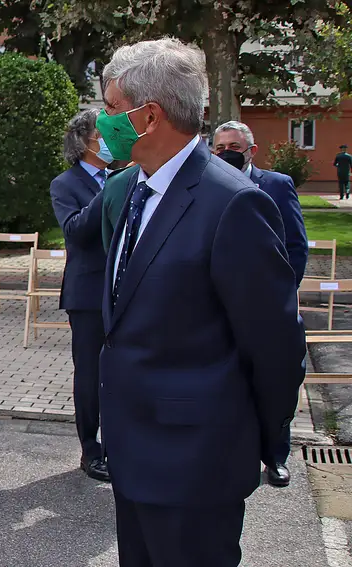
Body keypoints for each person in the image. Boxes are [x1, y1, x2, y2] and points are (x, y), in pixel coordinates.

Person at [95, 38, 306, 566]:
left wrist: (252, 440)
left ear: (149, 116)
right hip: (134, 455)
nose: (104, 121)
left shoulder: (233, 204)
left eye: (113, 108)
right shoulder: (133, 189)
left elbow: (276, 346)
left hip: (197, 464)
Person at [213, 120, 308, 488]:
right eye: (219, 147)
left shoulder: (277, 185)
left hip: (268, 308)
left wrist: (280, 297)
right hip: (227, 306)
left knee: (272, 383)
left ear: (251, 150)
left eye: (233, 146)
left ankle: (275, 457)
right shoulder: (211, 185)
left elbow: (296, 247)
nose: (226, 153)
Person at [50, 108, 110, 483]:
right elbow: (74, 232)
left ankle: (122, 443)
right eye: (102, 134)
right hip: (88, 293)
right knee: (90, 373)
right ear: (84, 141)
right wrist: (111, 194)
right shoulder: (66, 184)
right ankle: (91, 449)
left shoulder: (126, 177)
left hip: (128, 290)